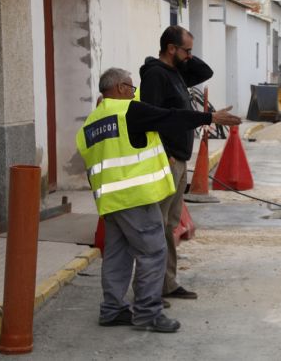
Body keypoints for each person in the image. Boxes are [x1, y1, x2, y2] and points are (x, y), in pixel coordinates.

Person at [76, 68, 240, 333]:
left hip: (110, 202)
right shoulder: (129, 111)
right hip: (136, 198)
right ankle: (148, 314)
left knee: (117, 255)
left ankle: (112, 309)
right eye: (131, 86)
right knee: (153, 252)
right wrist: (210, 116)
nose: (134, 91)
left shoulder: (91, 122)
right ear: (119, 88)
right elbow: (170, 117)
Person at [139, 25, 213, 301]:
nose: (190, 56)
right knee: (157, 226)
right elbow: (152, 117)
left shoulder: (175, 73)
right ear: (171, 49)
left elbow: (205, 73)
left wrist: (187, 57)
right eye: (187, 50)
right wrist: (164, 154)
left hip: (179, 159)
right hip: (167, 158)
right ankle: (150, 290)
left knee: (169, 226)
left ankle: (166, 284)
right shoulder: (156, 76)